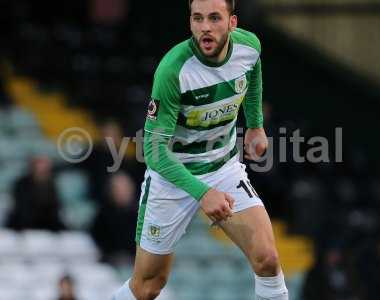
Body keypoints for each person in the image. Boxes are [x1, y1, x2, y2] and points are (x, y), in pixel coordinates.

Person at [113, 0, 288, 299]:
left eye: (214, 18)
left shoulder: (249, 47)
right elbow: (154, 152)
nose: (205, 27)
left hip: (223, 168)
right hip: (173, 177)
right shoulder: (173, 70)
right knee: (147, 287)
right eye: (197, 18)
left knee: (268, 260)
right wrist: (202, 192)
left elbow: (253, 72)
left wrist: (255, 124)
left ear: (232, 23)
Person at [6, 155, 65, 231]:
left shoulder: (51, 184)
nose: (42, 167)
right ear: (33, 166)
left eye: (45, 164)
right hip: (23, 222)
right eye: (40, 163)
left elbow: (54, 207)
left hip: (46, 222)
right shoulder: (21, 183)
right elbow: (22, 208)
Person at [90, 172, 138, 265]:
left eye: (125, 188)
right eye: (118, 189)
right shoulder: (103, 216)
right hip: (111, 262)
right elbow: (100, 242)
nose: (122, 192)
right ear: (111, 191)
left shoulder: (142, 214)